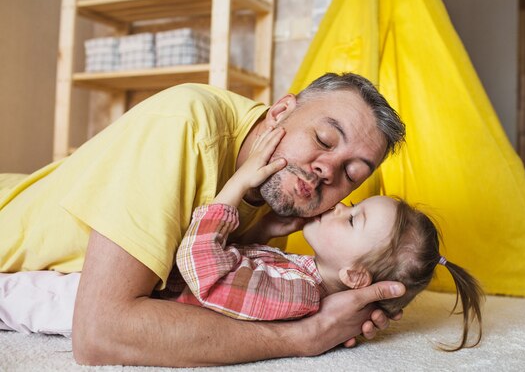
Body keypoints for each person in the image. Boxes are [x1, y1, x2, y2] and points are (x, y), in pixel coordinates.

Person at [0, 73, 408, 366]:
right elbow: (101, 332)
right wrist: (303, 336)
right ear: (281, 111)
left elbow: (217, 300)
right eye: (323, 140)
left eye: (352, 174)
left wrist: (340, 307)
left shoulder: (280, 197)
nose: (328, 171)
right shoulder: (186, 124)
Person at [166, 125, 483, 350]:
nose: (342, 205)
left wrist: (237, 185)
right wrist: (262, 232)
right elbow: (242, 270)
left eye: (353, 219)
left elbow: (207, 274)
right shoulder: (302, 274)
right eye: (355, 204)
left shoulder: (299, 294)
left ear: (354, 275)